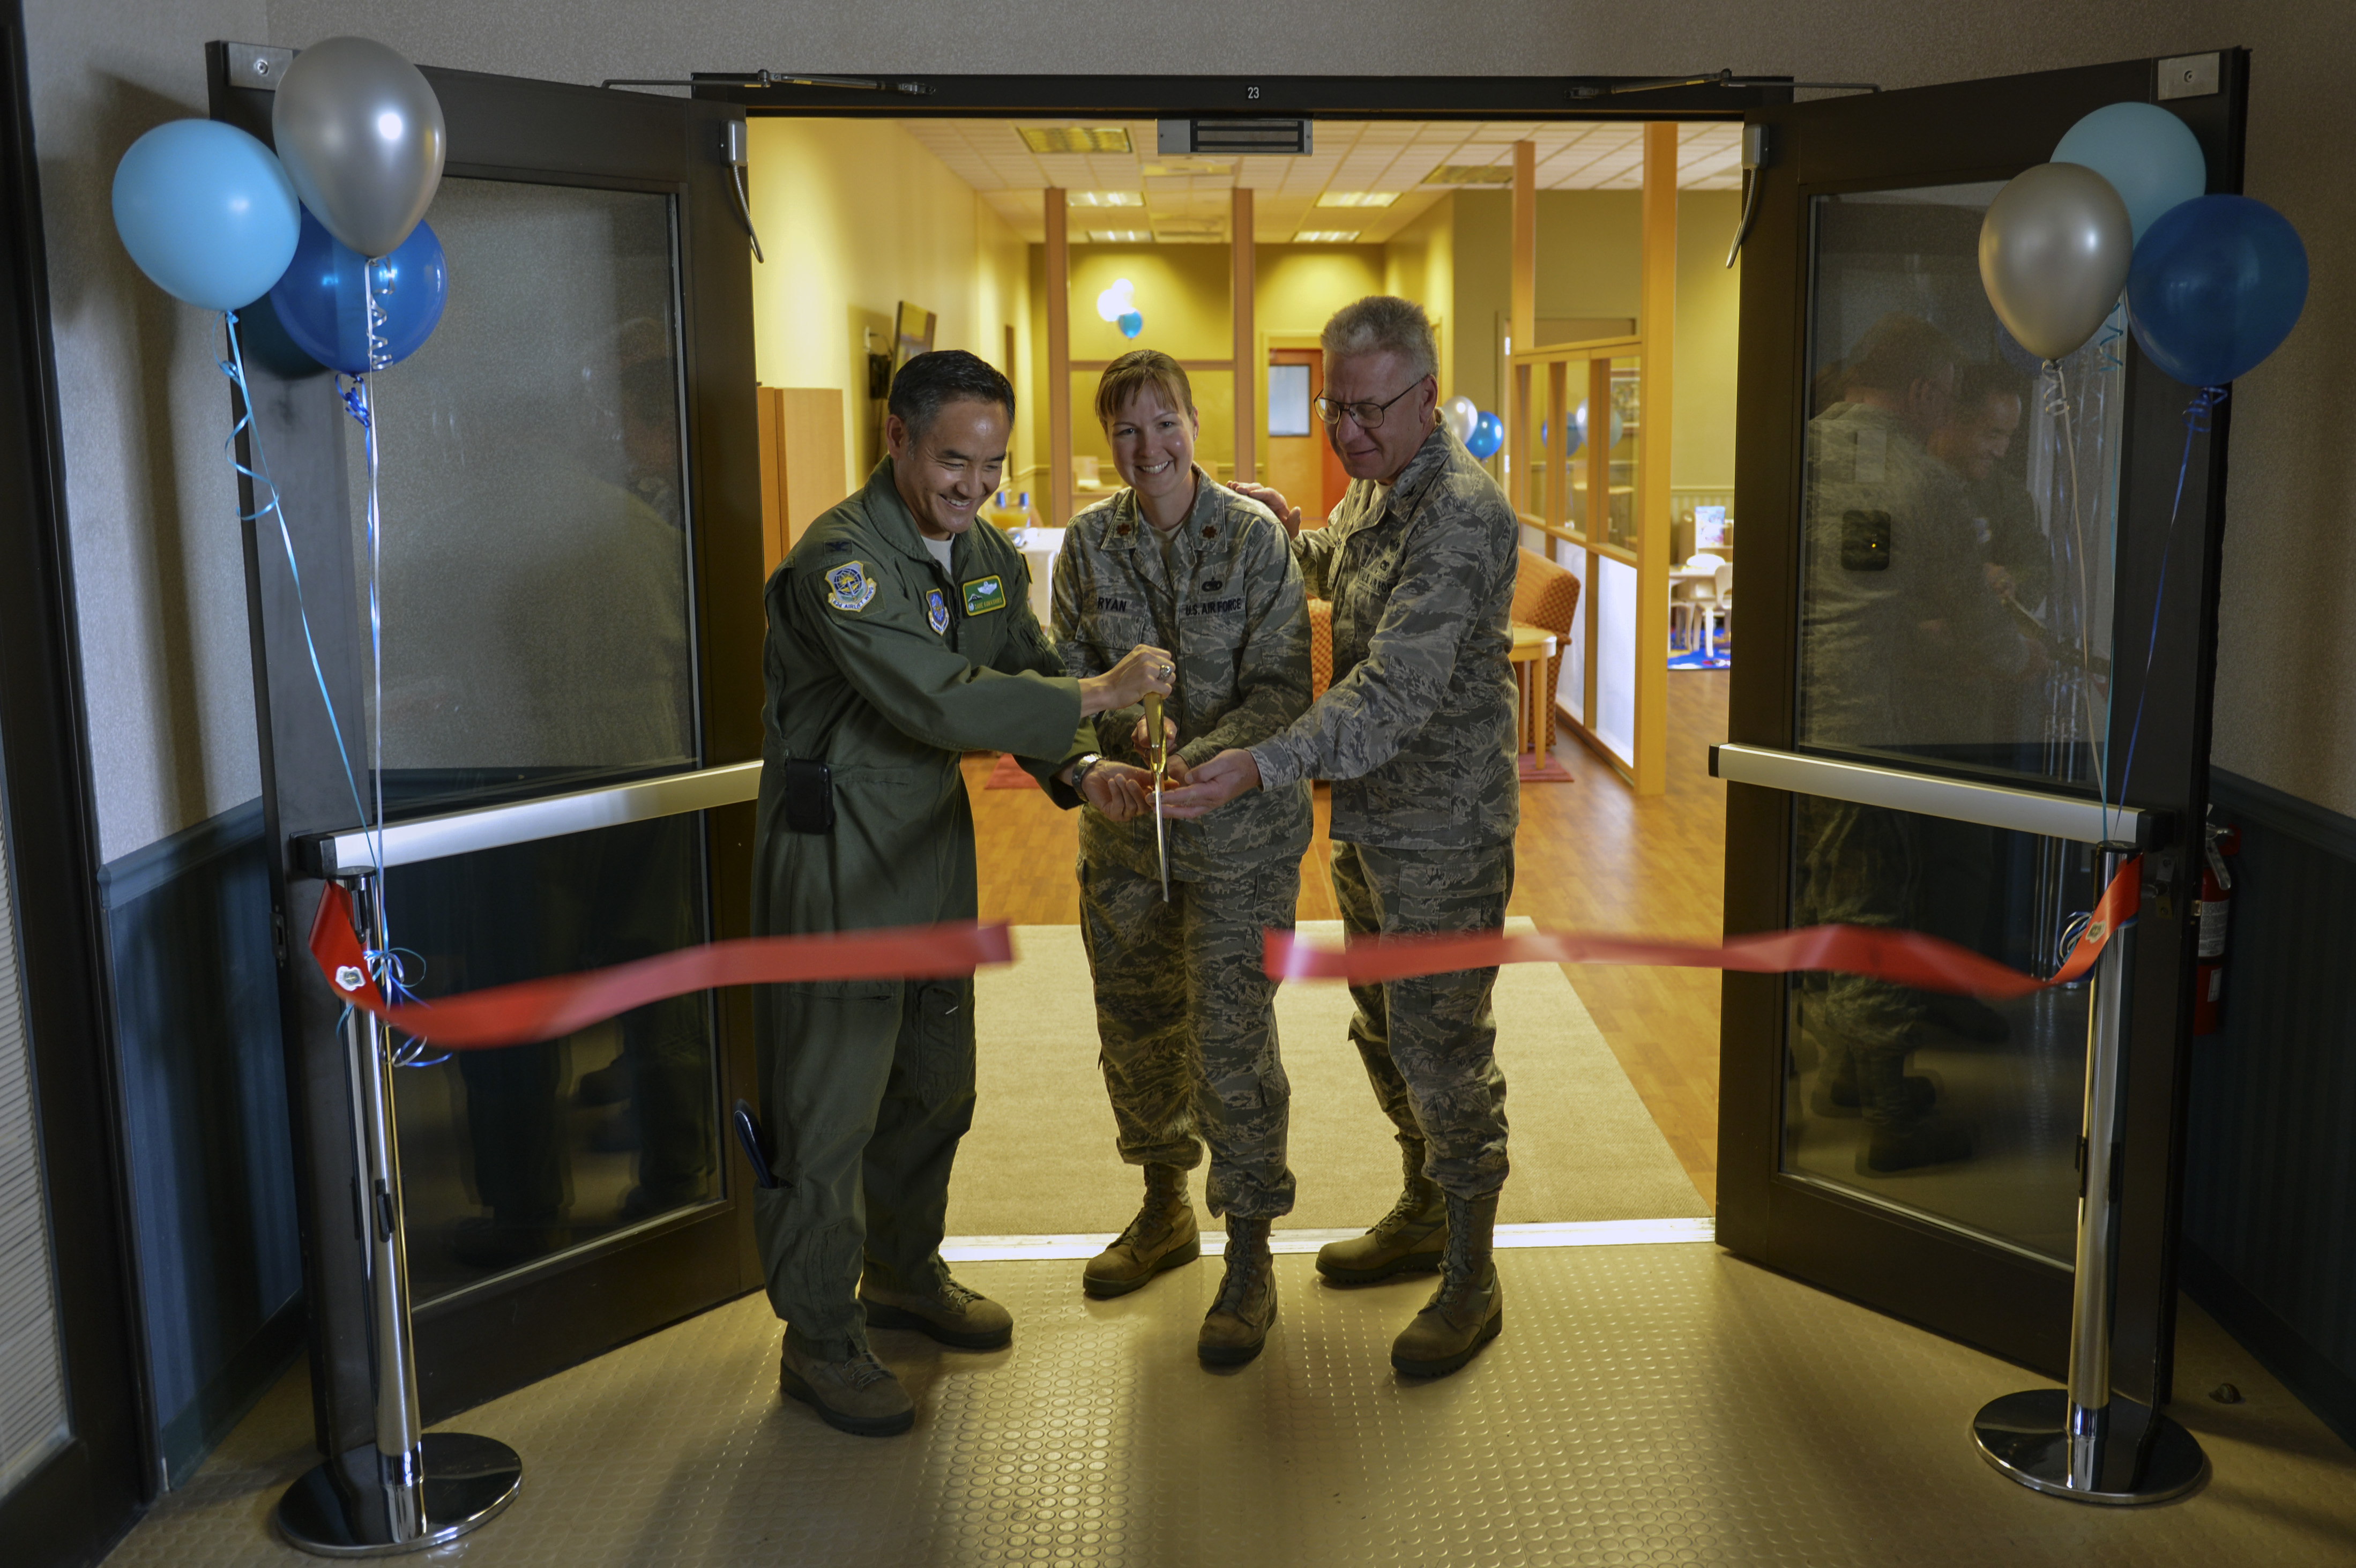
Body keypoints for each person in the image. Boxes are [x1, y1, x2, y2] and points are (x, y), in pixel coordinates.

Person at [754, 350, 1174, 1437]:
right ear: (896, 437)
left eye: (992, 466)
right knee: (831, 1105)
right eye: (954, 462)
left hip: (930, 842)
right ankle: (819, 1338)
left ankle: (903, 1273)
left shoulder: (980, 551)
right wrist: (1100, 691)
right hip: (838, 855)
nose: (974, 487)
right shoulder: (841, 562)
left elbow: (1020, 662)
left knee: (935, 1080)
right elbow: (936, 698)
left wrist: (1083, 764)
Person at [1164, 296, 1520, 1380]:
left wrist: (1260, 759)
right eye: (1335, 408)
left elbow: (1392, 690)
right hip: (1372, 817)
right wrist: (1290, 535)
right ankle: (1423, 1206)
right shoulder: (1380, 483)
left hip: (1443, 829)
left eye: (1369, 410)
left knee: (1444, 1048)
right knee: (1384, 1027)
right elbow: (1344, 569)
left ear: (1426, 397)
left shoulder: (1460, 510)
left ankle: (1471, 1272)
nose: (1348, 431)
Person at [1051, 349, 1313, 1367]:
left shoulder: (1253, 538)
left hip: (1239, 836)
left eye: (1165, 423)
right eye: (1126, 429)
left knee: (1231, 1039)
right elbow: (1063, 678)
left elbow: (1284, 687)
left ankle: (1249, 1254)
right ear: (1107, 441)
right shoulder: (1087, 543)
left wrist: (1199, 762)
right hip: (1126, 835)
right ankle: (1164, 1207)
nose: (1148, 446)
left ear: (1195, 426)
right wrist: (1104, 751)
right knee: (1136, 1026)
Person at [1795, 315, 2036, 1174]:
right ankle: (1892, 1118)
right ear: (1927, 392)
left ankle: (1845, 1076)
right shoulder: (1924, 481)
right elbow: (1977, 622)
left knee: (1826, 897)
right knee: (1873, 910)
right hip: (1866, 729)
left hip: (1790, 722)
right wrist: (2024, 658)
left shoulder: (1801, 451)